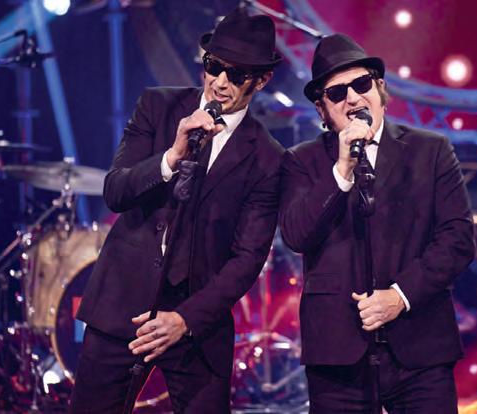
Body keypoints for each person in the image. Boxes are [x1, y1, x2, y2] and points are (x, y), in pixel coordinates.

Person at [70, 8, 283, 413]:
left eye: (237, 74)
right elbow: (116, 191)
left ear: (261, 80)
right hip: (122, 304)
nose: (220, 82)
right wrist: (171, 156)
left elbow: (247, 259)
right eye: (214, 66)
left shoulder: (268, 158)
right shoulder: (158, 107)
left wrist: (184, 319)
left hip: (197, 322)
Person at [279, 33, 475, 413]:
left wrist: (399, 296)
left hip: (420, 347)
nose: (352, 98)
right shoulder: (301, 161)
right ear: (322, 109)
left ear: (380, 89)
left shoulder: (430, 150)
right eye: (337, 93)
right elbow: (297, 234)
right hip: (337, 357)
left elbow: (457, 239)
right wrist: (342, 169)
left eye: (361, 84)